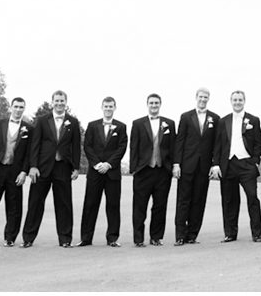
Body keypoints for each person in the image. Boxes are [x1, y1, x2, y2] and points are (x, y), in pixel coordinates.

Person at [21, 90, 81, 247]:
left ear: (66, 102)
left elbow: (76, 146)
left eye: (62, 101)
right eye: (57, 101)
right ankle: (28, 238)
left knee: (64, 204)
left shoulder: (73, 122)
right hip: (42, 168)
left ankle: (65, 239)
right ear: (52, 102)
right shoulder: (42, 120)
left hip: (63, 167)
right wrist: (33, 166)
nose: (59, 103)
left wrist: (76, 167)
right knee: (35, 203)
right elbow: (35, 144)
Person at [211, 90, 261, 243]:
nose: (237, 102)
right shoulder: (223, 121)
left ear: (244, 101)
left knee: (252, 197)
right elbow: (218, 144)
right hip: (228, 165)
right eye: (235, 100)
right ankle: (230, 233)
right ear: (231, 101)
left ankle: (256, 233)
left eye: (240, 99)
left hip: (246, 164)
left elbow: (258, 142)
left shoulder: (253, 120)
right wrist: (216, 164)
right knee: (229, 201)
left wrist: (255, 160)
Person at [0, 97, 32, 246]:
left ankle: (10, 238)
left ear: (24, 109)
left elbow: (28, 154)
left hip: (15, 172)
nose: (18, 110)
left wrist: (24, 172)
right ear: (11, 107)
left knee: (14, 206)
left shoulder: (29, 128)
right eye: (16, 106)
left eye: (21, 107)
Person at [77, 97, 127, 247]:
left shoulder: (121, 127)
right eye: (106, 106)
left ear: (115, 108)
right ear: (102, 107)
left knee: (113, 205)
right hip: (95, 172)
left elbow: (122, 148)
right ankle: (86, 238)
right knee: (90, 204)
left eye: (111, 106)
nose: (108, 109)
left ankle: (112, 238)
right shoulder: (92, 125)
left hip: (112, 173)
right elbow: (87, 146)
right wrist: (97, 164)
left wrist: (109, 164)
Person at [173, 87, 220, 245]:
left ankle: (192, 235)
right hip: (187, 164)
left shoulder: (215, 118)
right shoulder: (186, 116)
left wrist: (215, 164)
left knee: (199, 201)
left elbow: (217, 144)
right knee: (183, 200)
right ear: (196, 97)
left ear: (208, 99)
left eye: (205, 97)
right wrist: (177, 163)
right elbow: (180, 140)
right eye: (201, 96)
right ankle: (180, 235)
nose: (203, 99)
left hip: (204, 166)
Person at [129, 93, 177, 246]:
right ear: (147, 104)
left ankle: (156, 237)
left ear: (160, 104)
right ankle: (138, 239)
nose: (154, 105)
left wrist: (173, 166)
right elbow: (133, 147)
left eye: (156, 103)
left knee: (160, 206)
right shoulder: (138, 123)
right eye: (151, 103)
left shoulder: (169, 123)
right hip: (143, 171)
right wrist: (134, 169)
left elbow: (173, 147)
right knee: (139, 206)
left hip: (163, 171)